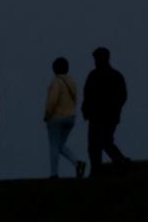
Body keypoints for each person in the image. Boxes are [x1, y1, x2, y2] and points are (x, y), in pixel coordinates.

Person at [82, 46, 130, 177]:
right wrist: (86, 111)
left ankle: (120, 162)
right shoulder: (95, 75)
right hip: (96, 117)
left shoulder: (113, 76)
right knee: (94, 145)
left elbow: (122, 96)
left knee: (104, 142)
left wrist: (114, 111)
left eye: (97, 58)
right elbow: (87, 95)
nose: (96, 61)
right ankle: (98, 169)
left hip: (107, 117)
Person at [43, 57, 86, 179]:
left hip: (56, 117)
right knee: (60, 145)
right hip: (70, 117)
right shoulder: (72, 82)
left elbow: (52, 101)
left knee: (53, 146)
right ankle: (77, 163)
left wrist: (47, 115)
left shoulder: (56, 81)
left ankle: (54, 173)